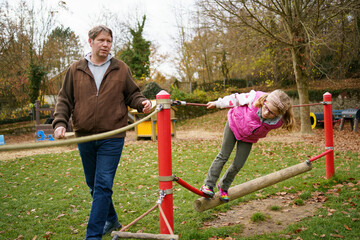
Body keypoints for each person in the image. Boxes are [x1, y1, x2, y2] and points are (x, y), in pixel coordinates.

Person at [52, 25, 152, 240]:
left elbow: (132, 94)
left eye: (109, 41)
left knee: (103, 184)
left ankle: (93, 236)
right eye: (101, 40)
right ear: (91, 42)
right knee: (93, 184)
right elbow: (64, 100)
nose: (106, 44)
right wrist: (60, 123)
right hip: (85, 135)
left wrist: (142, 102)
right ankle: (112, 220)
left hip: (112, 136)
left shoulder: (120, 68)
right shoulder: (75, 69)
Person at [200, 89, 295, 202]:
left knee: (238, 164)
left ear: (279, 114)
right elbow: (234, 99)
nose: (266, 113)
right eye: (266, 108)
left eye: (272, 113)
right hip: (234, 124)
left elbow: (287, 118)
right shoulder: (253, 98)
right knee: (223, 155)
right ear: (264, 101)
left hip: (248, 137)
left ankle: (223, 186)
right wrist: (217, 103)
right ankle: (208, 185)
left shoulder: (278, 122)